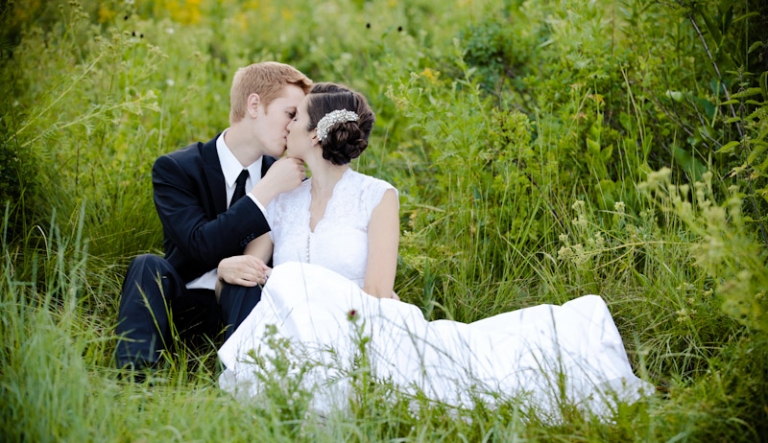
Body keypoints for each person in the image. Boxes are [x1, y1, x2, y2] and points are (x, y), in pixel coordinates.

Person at [217, 83, 655, 418]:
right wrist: (225, 266)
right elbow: (254, 267)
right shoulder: (283, 197)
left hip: (361, 327)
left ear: (315, 134)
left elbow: (377, 290)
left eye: (295, 117)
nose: (287, 125)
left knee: (471, 374)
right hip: (295, 339)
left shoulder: (377, 195)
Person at [115, 62, 313, 371]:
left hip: (247, 307)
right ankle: (134, 378)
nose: (293, 127)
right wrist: (265, 190)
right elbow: (199, 244)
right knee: (147, 265)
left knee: (247, 278)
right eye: (290, 114)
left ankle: (243, 381)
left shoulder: (287, 180)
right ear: (254, 105)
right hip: (181, 305)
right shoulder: (177, 169)